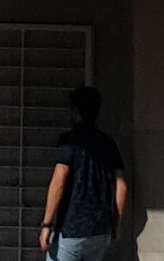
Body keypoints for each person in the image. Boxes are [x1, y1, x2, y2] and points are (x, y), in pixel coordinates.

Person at [38, 85, 128, 261]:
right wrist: (115, 224)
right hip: (101, 229)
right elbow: (122, 185)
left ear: (76, 111)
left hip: (72, 228)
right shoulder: (108, 143)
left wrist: (47, 224)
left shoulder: (69, 141)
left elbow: (59, 180)